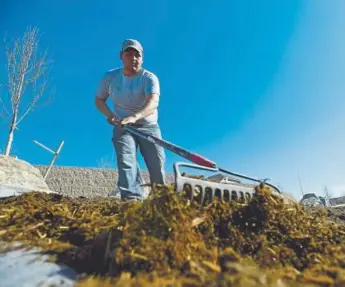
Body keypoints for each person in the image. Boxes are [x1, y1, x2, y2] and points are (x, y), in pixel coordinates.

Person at [95, 39, 166, 201]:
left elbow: (153, 103)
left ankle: (161, 200)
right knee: (126, 160)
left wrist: (134, 116)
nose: (133, 58)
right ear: (121, 56)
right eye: (129, 54)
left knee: (157, 165)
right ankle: (131, 201)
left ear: (142, 59)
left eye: (137, 55)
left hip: (148, 126)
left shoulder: (149, 78)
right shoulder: (110, 78)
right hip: (123, 127)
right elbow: (99, 100)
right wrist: (110, 115)